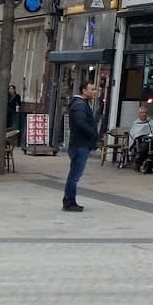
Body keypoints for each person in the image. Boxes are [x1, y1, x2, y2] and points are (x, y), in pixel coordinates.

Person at [63, 82, 99, 212]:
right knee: (74, 175)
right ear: (84, 91)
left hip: (79, 144)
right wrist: (92, 134)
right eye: (92, 89)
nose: (95, 92)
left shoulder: (81, 104)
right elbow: (80, 123)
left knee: (74, 174)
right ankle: (69, 201)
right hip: (80, 145)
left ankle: (70, 200)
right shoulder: (80, 105)